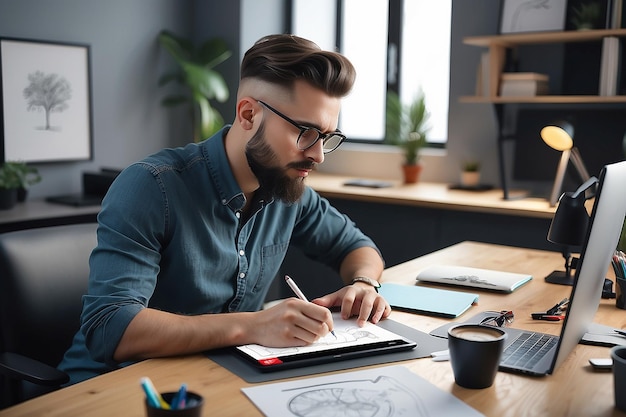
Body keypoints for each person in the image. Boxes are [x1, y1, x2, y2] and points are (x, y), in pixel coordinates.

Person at [58, 34, 391, 385]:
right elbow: (109, 328)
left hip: (212, 378)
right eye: (306, 132)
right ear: (248, 114)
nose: (318, 154)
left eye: (326, 136)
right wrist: (254, 325)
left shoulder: (287, 189)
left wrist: (364, 284)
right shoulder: (151, 187)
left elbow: (357, 247)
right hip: (109, 386)